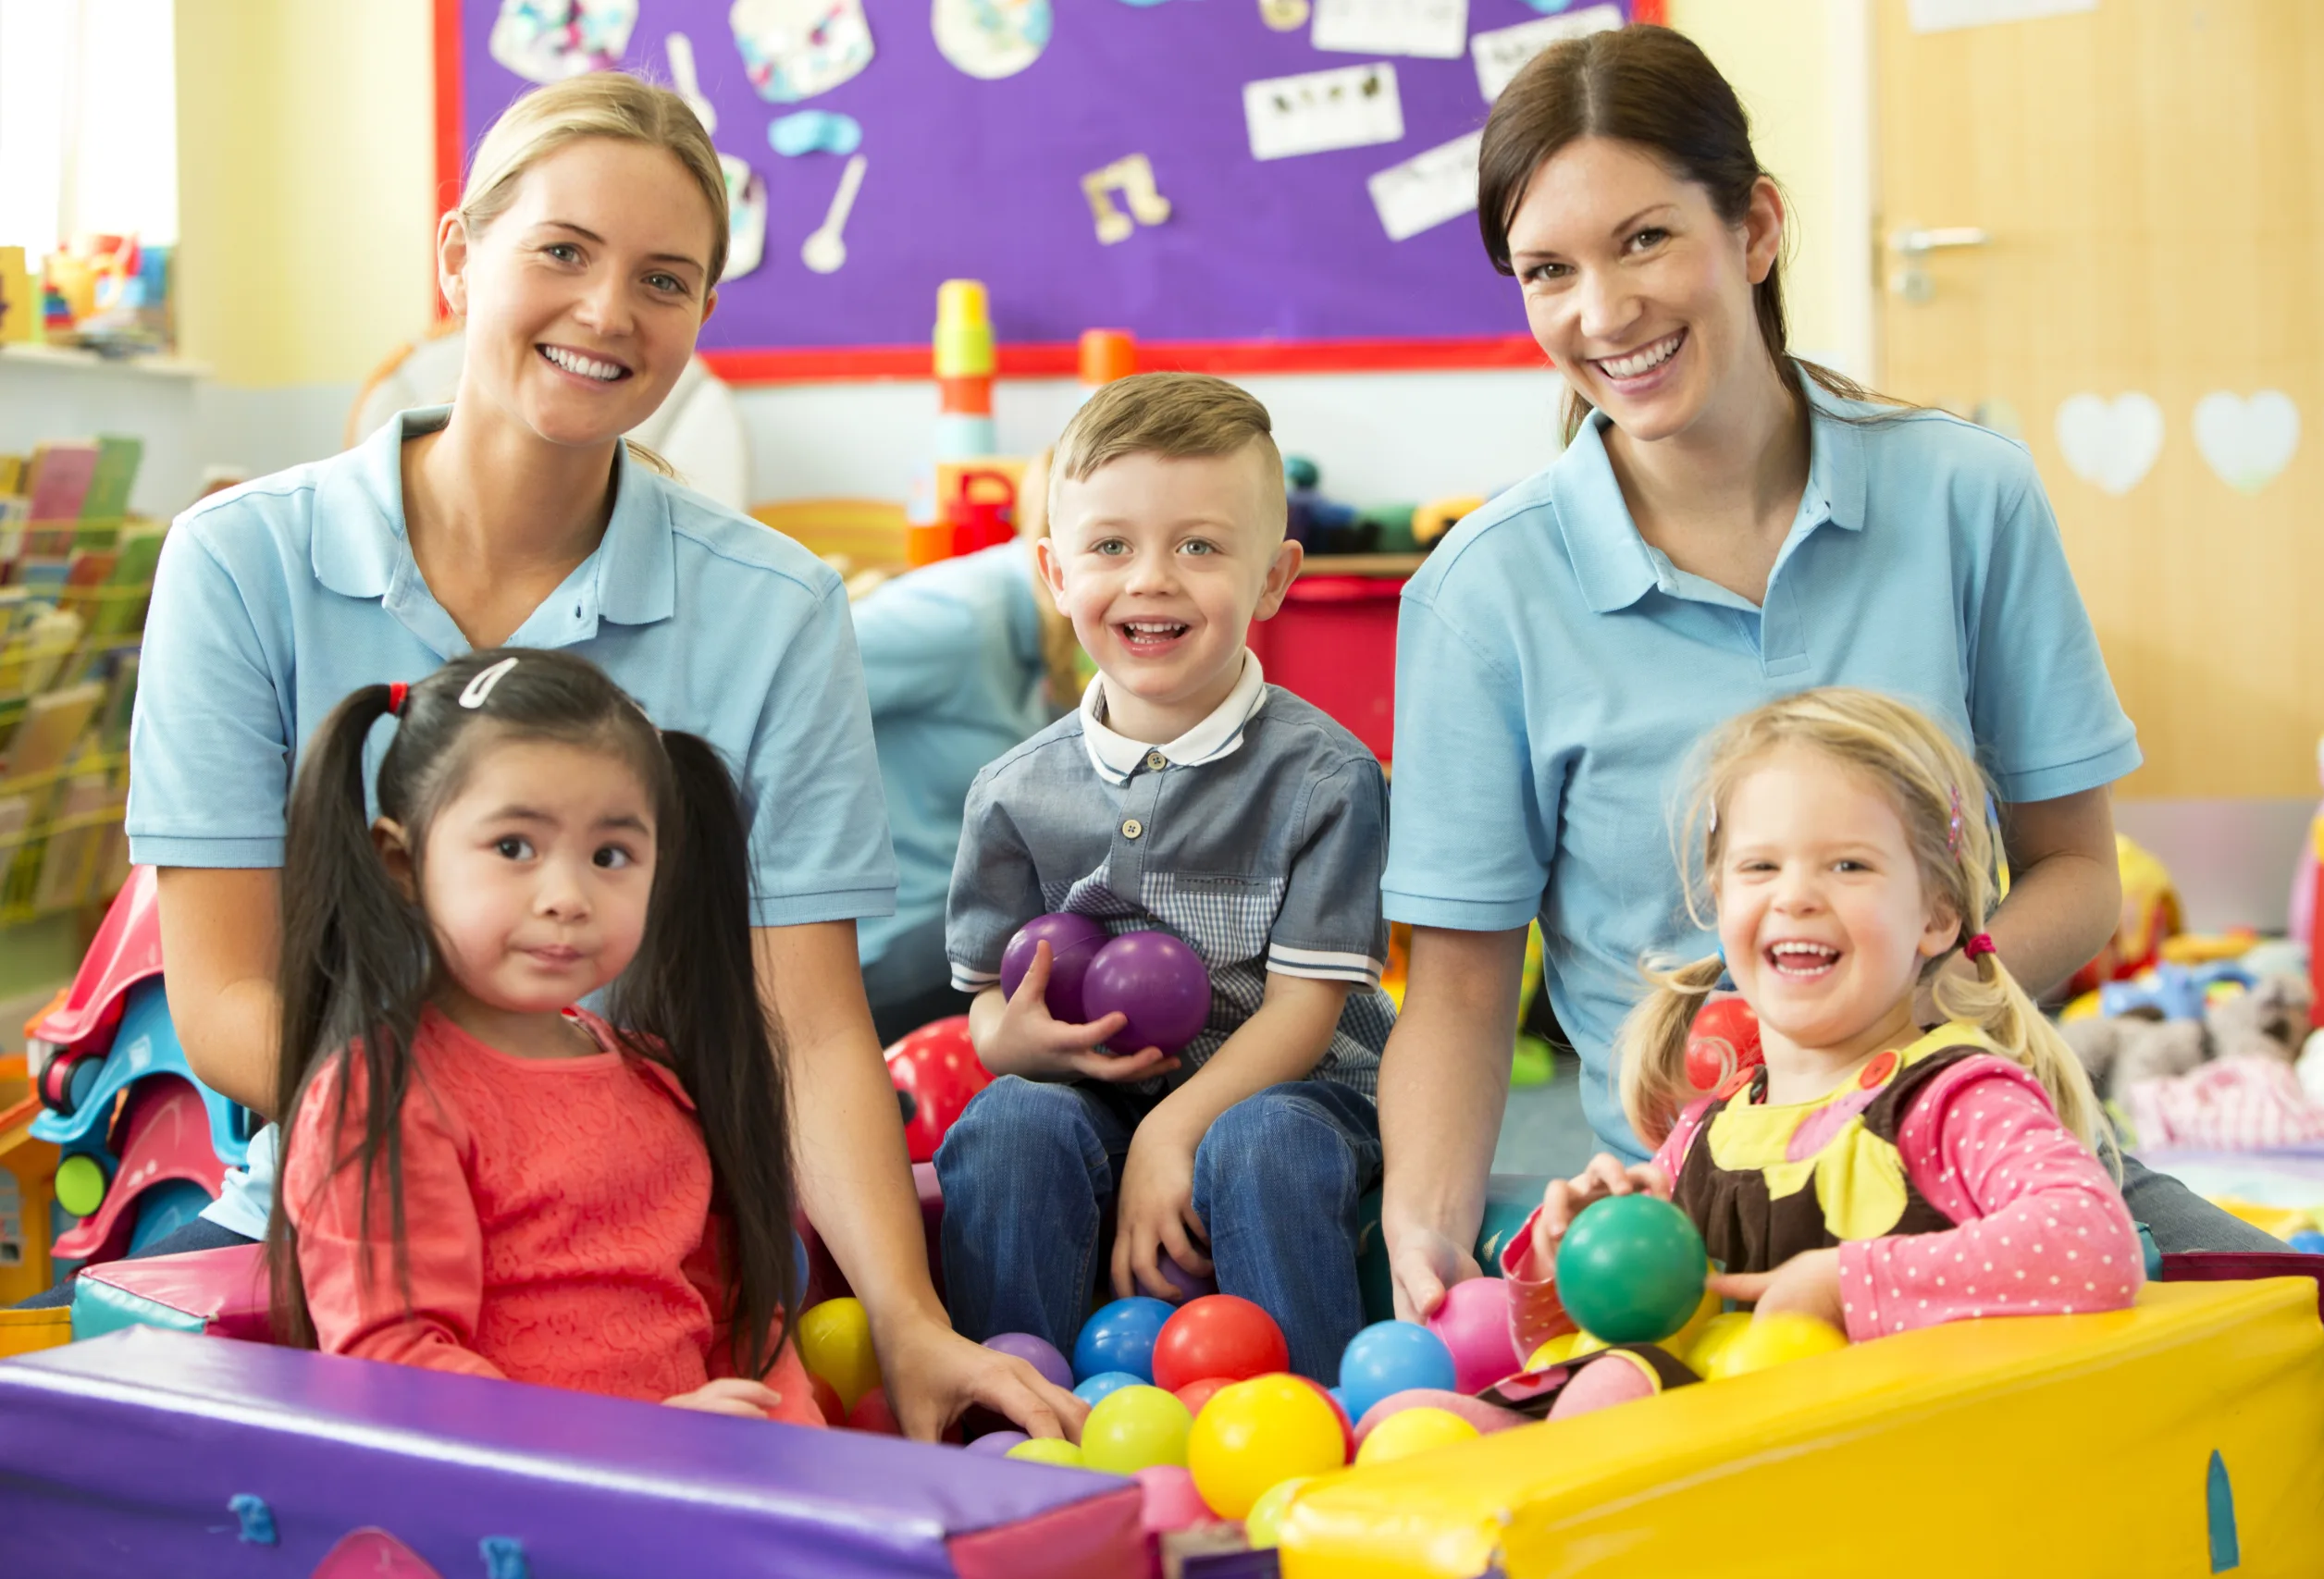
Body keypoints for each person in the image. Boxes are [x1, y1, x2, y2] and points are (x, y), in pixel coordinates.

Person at [43, 75, 1076, 1442]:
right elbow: (228, 991)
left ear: (704, 318)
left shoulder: (774, 604)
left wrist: (909, 1320)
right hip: (351, 1183)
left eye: (665, 279)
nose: (607, 314)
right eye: (563, 253)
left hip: (648, 1204)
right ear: (460, 253)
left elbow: (811, 1019)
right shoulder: (241, 559)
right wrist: (489, 1126)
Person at [1378, 23, 2280, 1325]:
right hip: (1696, 1223)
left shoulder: (1967, 495)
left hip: (1986, 1165)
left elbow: (2079, 872)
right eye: (1546, 270)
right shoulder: (1483, 589)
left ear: (1753, 229)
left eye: (1644, 240)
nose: (1602, 312)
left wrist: (1879, 1031)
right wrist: (1426, 1237)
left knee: (2310, 1346)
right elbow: (1462, 985)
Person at [934, 375, 1394, 1384]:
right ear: (1054, 573)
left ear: (1273, 578)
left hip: (1301, 1090)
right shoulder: (1014, 795)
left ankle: (1308, 1420)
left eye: (1199, 545)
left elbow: (1306, 1014)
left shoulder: (1327, 777)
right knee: (1010, 1120)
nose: (1151, 579)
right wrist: (1011, 1041)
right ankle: (1007, 1408)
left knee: (1260, 1143)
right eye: (1110, 547)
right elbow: (986, 1013)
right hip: (1102, 1097)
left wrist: (1173, 1134)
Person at [1500, 689, 2142, 1362]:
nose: (1797, 895)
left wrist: (1845, 1284)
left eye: (1849, 865)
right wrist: (1567, 1261)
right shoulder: (1702, 1137)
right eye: (1761, 866)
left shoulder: (1957, 1100)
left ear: (1936, 915)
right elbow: (1571, 1363)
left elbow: (2093, 1243)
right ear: (1719, 903)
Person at [273, 650, 822, 1424]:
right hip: (507, 1526)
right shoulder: (386, 1096)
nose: (567, 896)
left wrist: (805, 1464)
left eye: (610, 856)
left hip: (695, 1503)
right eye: (513, 848)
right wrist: (645, 1447)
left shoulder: (658, 1080)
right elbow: (396, 1372)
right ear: (402, 863)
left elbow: (746, 1328)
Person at [854, 453, 1083, 1044]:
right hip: (887, 941)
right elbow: (766, 692)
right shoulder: (956, 617)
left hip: (959, 913)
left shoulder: (1048, 634)